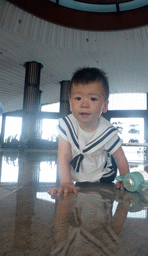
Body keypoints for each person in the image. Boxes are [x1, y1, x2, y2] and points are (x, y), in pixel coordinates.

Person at [48, 67, 130, 196]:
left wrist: (126, 179)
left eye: (93, 99)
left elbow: (120, 157)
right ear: (70, 104)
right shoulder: (66, 125)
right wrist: (65, 182)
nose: (84, 104)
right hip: (78, 175)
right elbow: (63, 156)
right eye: (78, 98)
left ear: (104, 106)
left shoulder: (107, 131)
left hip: (103, 177)